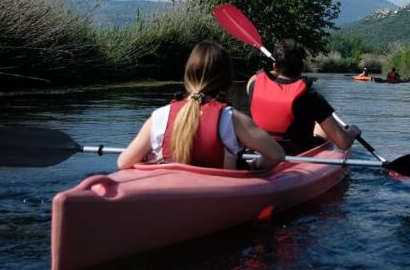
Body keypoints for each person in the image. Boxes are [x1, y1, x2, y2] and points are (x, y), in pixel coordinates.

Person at [117, 43, 285, 171]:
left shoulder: (160, 116)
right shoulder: (232, 119)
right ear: (227, 80)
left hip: (166, 192)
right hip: (220, 198)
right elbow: (276, 155)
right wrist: (251, 168)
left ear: (188, 75)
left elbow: (123, 162)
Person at [247, 39, 363, 154]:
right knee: (324, 125)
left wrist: (278, 68)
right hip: (298, 153)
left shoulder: (255, 86)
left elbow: (255, 78)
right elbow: (343, 143)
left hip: (262, 147)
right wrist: (353, 132)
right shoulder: (310, 95)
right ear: (302, 68)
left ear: (275, 66)